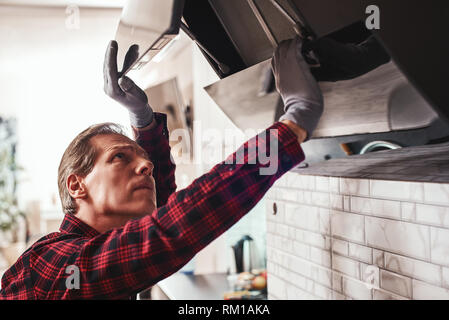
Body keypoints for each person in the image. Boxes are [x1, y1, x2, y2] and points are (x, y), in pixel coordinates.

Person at [0, 37, 323, 299]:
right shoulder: (51, 264)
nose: (145, 166)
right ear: (76, 186)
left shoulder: (94, 254)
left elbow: (162, 211)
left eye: (144, 161)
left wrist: (143, 119)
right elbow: (170, 228)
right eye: (119, 157)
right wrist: (290, 129)